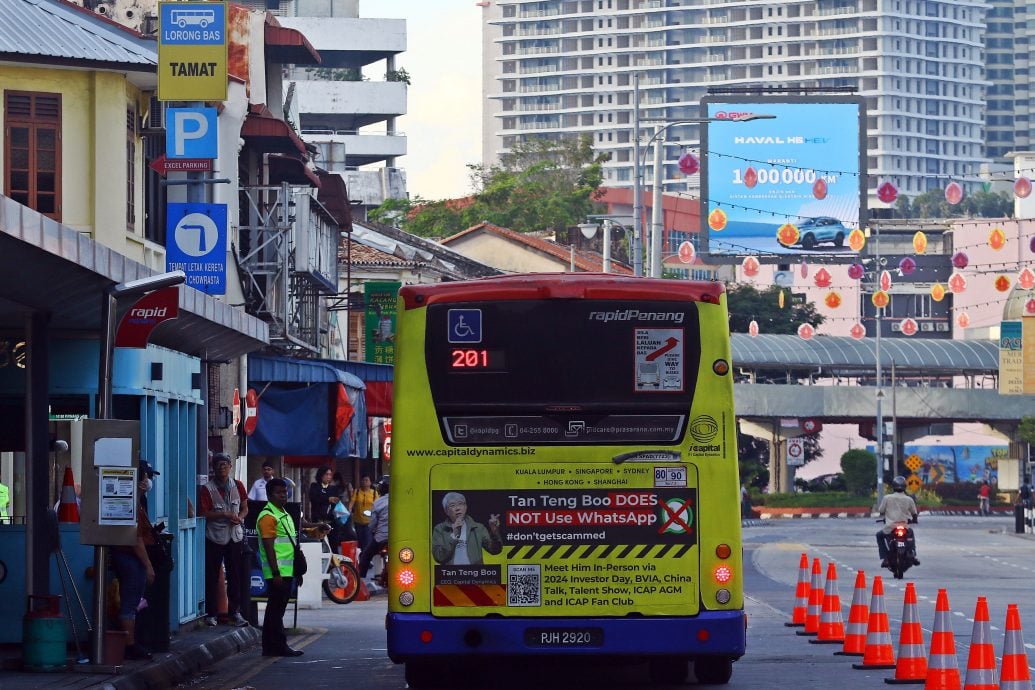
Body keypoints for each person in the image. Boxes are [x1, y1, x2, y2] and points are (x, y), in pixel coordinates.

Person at [256, 478, 330, 657]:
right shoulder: (268, 516)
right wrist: (275, 573)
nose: (284, 496)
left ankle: (271, 647)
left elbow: (294, 538)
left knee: (276, 610)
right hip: (278, 572)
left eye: (285, 492)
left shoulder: (284, 513)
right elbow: (268, 547)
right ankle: (277, 646)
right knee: (275, 611)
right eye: (279, 493)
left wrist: (297, 572)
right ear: (269, 495)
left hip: (287, 571)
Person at [110, 461, 158, 661]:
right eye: (146, 477)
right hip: (129, 557)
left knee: (133, 602)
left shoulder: (137, 502)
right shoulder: (130, 504)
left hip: (130, 557)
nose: (149, 482)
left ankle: (131, 642)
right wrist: (148, 566)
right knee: (130, 603)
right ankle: (129, 645)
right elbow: (135, 539)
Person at [200, 453, 250, 627]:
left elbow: (245, 507)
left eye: (225, 464)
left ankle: (235, 612)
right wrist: (223, 514)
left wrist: (240, 517)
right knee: (212, 575)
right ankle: (211, 613)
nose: (222, 468)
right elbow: (204, 513)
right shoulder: (207, 489)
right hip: (215, 536)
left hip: (234, 537)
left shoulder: (238, 485)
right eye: (218, 465)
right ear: (213, 469)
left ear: (230, 466)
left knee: (235, 575)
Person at [432, 491, 502, 565]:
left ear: (466, 507)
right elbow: (438, 557)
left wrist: (494, 531)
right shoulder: (439, 529)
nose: (458, 508)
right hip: (450, 574)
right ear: (446, 511)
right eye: (452, 505)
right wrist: (454, 536)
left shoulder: (478, 528)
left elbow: (495, 550)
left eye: (461, 504)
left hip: (474, 574)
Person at [876, 475, 919, 567]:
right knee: (911, 534)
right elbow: (914, 513)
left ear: (893, 486)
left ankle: (885, 558)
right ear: (905, 487)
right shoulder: (909, 499)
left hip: (890, 527)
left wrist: (883, 516)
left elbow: (881, 510)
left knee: (879, 535)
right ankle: (913, 554)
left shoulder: (887, 498)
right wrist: (915, 520)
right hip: (904, 526)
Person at [358, 477, 390, 581]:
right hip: (400, 539)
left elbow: (372, 523)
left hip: (382, 538)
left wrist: (372, 529)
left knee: (366, 555)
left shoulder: (378, 502)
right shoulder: (402, 501)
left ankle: (360, 580)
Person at [349, 475, 377, 550]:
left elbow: (377, 505)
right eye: (363, 480)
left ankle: (367, 559)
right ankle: (361, 558)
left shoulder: (374, 493)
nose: (364, 482)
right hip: (358, 521)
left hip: (369, 522)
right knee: (360, 542)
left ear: (370, 482)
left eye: (366, 480)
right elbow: (352, 502)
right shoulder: (357, 491)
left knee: (367, 541)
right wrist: (349, 510)